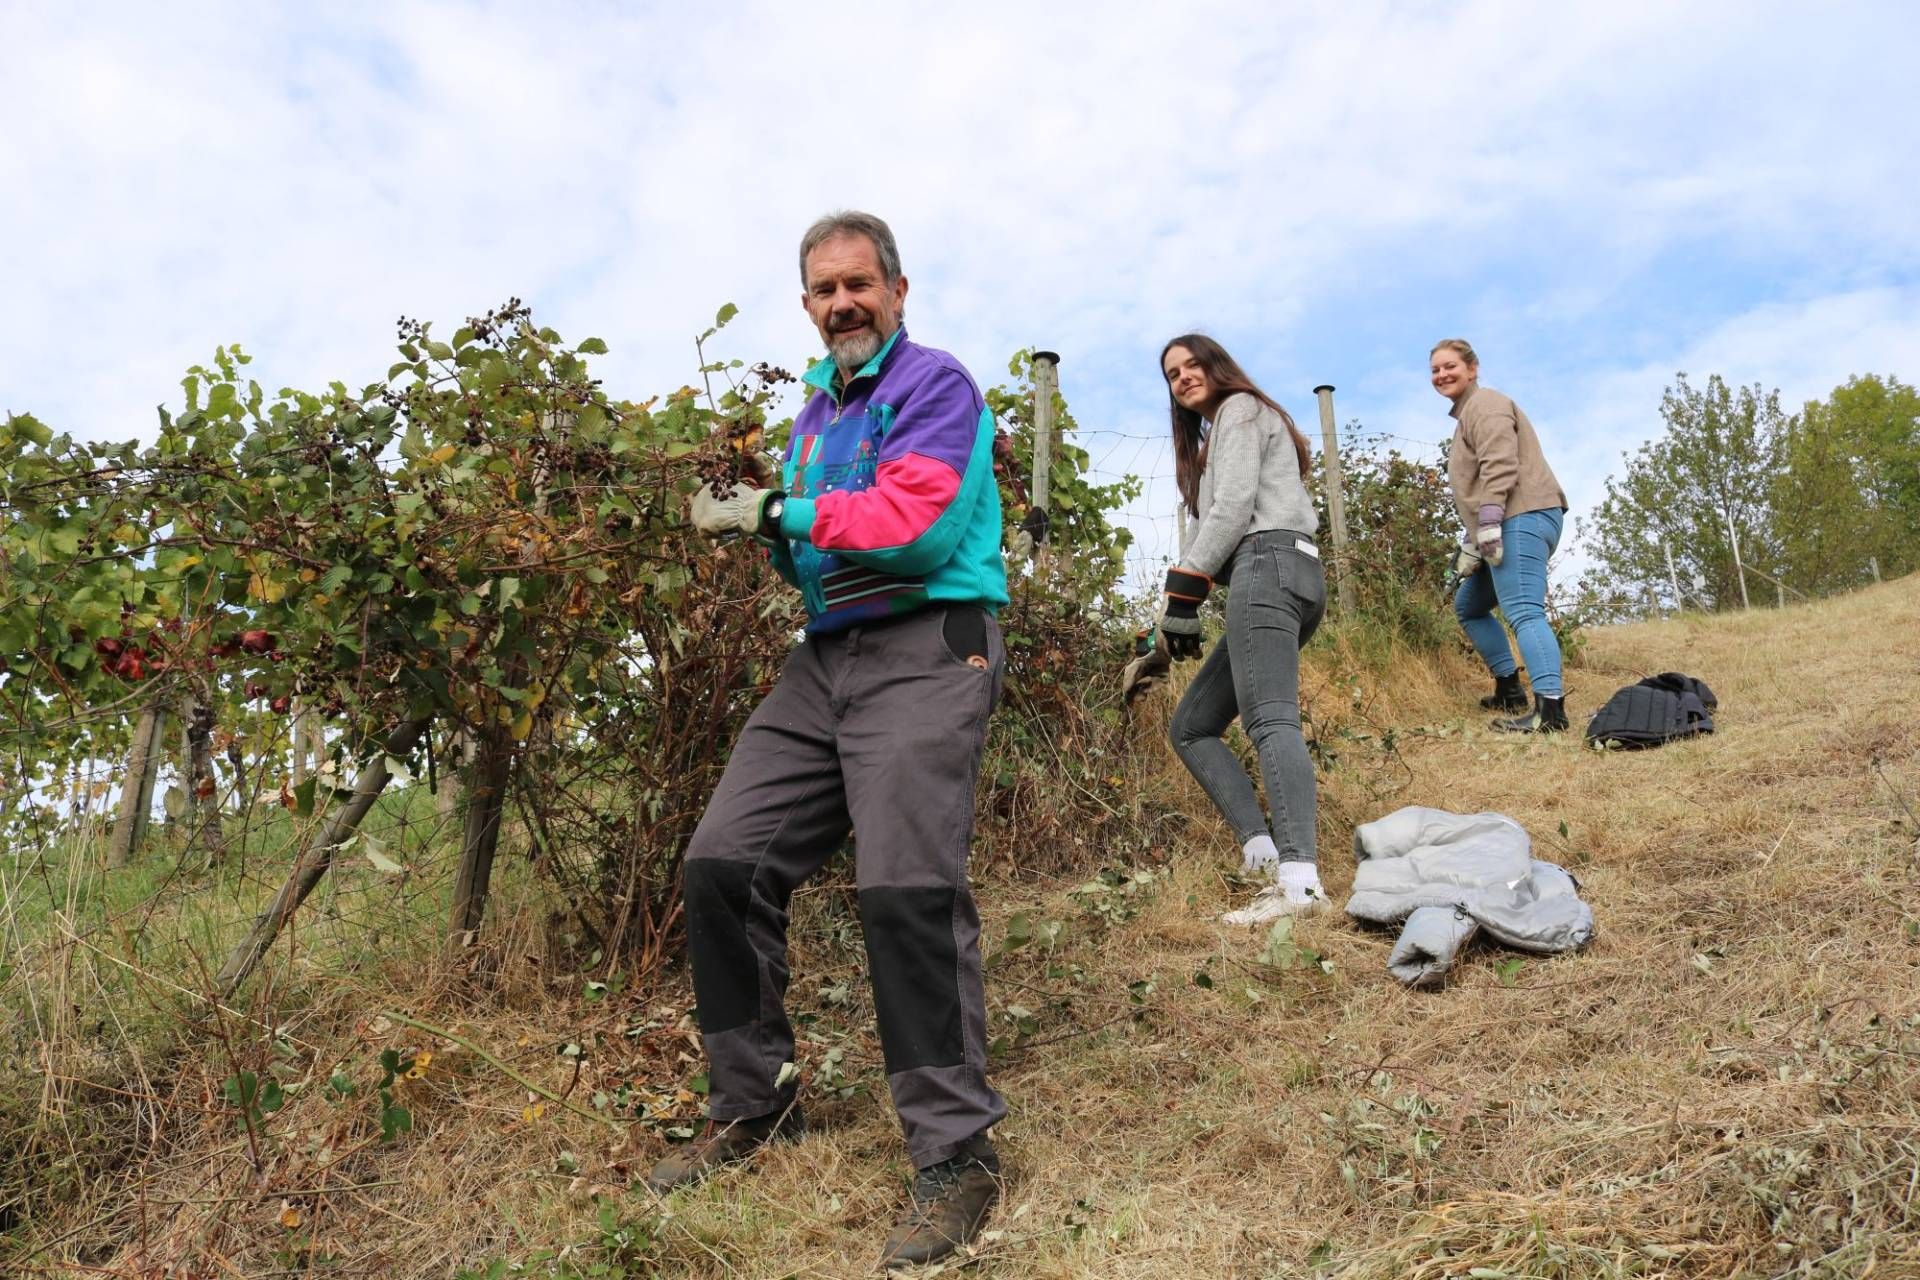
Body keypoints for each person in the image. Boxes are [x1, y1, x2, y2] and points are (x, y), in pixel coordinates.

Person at [655, 211, 1010, 1269]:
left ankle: (958, 1152)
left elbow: (916, 529)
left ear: (898, 290)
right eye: (825, 290)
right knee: (722, 860)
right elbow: (812, 558)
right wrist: (767, 522)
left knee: (903, 884)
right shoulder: (813, 413)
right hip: (829, 655)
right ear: (806, 306)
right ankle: (755, 1102)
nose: (844, 303)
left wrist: (780, 506)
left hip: (928, 642)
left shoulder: (936, 385)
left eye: (861, 284)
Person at [1123, 335, 1329, 925]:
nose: (1183, 377)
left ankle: (1301, 885)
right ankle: (1263, 856)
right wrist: (1165, 633)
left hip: (1267, 564)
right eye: (1172, 374)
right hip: (1288, 571)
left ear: (1218, 367)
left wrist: (1183, 594)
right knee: (1192, 726)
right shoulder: (1219, 436)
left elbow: (1234, 509)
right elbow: (1207, 535)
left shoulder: (1240, 409)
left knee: (1270, 719)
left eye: (1192, 365)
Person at [1429, 338, 1571, 733]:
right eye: (1436, 370)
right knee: (1469, 606)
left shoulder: (1486, 404)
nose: (1442, 375)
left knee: (1524, 610)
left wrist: (1489, 520)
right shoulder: (1467, 417)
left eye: (1450, 366)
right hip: (1507, 520)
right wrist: (1473, 543)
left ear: (1472, 368)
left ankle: (1551, 713)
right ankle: (1509, 689)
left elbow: (1500, 462)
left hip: (1520, 516)